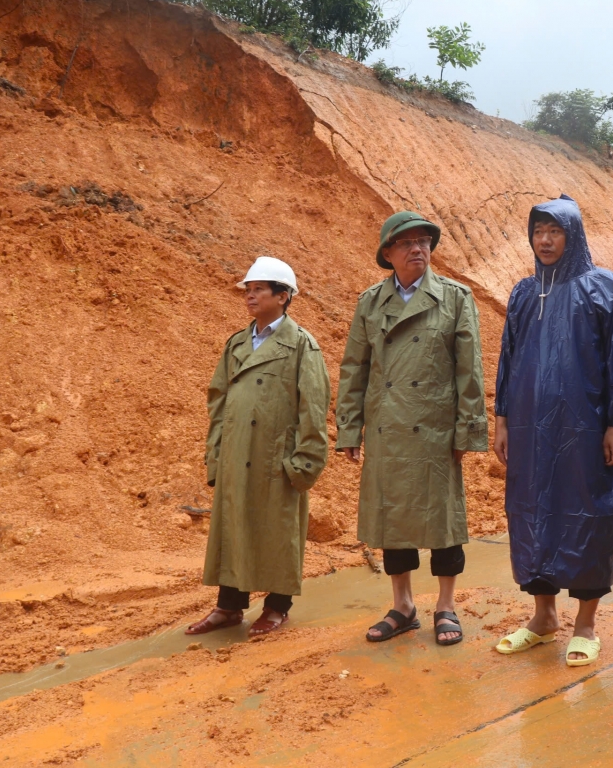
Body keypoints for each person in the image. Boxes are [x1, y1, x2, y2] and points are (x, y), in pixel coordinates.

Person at [493, 194, 613, 667]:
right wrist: (502, 419)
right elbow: (507, 358)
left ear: (572, 235)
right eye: (538, 231)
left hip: (585, 425)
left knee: (589, 511)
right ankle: (543, 617)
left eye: (554, 231)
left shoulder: (602, 286)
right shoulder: (523, 292)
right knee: (533, 511)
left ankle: (586, 624)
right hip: (530, 429)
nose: (545, 240)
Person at [336, 211, 488, 646]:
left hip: (435, 426)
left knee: (443, 520)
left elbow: (469, 370)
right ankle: (402, 606)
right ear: (388, 254)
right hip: (387, 426)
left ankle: (445, 606)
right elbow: (354, 368)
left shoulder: (455, 298)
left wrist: (466, 430)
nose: (418, 249)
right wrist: (349, 428)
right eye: (406, 243)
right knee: (392, 518)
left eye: (423, 241)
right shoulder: (370, 303)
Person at [187, 257, 330, 638]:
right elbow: (218, 402)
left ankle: (277, 607)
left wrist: (304, 464)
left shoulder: (302, 345)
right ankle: (229, 606)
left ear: (283, 297)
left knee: (278, 532)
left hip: (276, 458)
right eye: (248, 290)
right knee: (234, 527)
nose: (250, 296)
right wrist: (216, 455)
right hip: (236, 454)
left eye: (259, 290)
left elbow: (313, 408)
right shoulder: (237, 343)